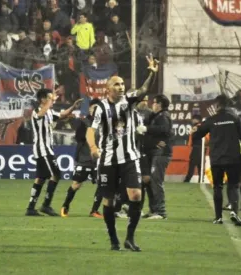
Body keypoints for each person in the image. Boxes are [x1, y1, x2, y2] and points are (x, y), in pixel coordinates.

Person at [86, 55, 158, 251]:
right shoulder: (100, 108)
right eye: (116, 84)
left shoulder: (129, 101)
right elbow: (91, 130)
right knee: (108, 201)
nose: (121, 87)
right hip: (108, 160)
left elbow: (144, 90)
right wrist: (93, 148)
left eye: (122, 84)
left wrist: (152, 72)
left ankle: (130, 238)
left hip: (130, 158)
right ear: (108, 89)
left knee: (135, 195)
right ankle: (113, 239)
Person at [192, 95, 241, 226]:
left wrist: (195, 129)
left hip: (217, 159)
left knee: (218, 187)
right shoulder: (235, 119)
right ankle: (234, 212)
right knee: (233, 186)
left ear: (217, 106)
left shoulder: (211, 120)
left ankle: (218, 217)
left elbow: (197, 135)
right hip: (234, 158)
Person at [25, 89, 82, 217]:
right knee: (56, 174)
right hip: (42, 149)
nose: (53, 100)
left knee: (40, 178)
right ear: (43, 99)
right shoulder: (36, 112)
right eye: (50, 97)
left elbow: (62, 115)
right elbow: (40, 115)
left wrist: (73, 107)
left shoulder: (50, 112)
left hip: (47, 149)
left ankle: (30, 208)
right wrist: (49, 101)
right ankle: (46, 205)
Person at [60, 99, 103, 218]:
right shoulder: (84, 122)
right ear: (89, 108)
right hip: (84, 158)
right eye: (93, 107)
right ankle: (65, 206)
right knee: (76, 184)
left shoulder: (103, 122)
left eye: (97, 108)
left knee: (102, 184)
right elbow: (79, 138)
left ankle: (94, 210)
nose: (95, 110)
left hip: (99, 159)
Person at [137, 94, 173, 219]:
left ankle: (161, 212)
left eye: (154, 102)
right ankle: (154, 210)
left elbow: (165, 129)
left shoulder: (164, 116)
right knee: (152, 182)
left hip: (161, 153)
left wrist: (146, 128)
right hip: (156, 152)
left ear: (159, 104)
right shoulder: (157, 115)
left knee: (156, 182)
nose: (152, 104)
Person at [183, 115, 203, 183]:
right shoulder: (202, 127)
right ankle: (201, 180)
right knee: (200, 165)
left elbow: (194, 136)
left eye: (193, 119)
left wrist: (191, 132)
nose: (192, 121)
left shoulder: (196, 127)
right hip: (202, 148)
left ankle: (187, 180)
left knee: (192, 165)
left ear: (196, 120)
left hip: (196, 148)